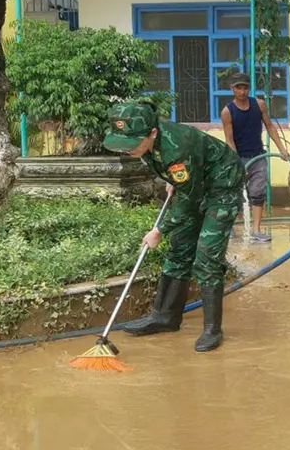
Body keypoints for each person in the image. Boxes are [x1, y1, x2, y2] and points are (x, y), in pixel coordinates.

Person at [103, 101, 244, 352]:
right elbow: (181, 178)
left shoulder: (176, 149)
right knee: (179, 249)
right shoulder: (147, 143)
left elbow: (189, 201)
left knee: (206, 255)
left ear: (153, 133)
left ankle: (212, 330)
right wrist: (175, 179)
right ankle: (165, 317)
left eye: (133, 144)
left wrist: (159, 230)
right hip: (196, 181)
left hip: (221, 187)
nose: (128, 150)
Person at [220, 73, 290, 242]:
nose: (242, 92)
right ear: (232, 89)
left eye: (245, 88)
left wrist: (282, 149)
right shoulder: (227, 112)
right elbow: (229, 139)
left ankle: (257, 230)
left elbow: (270, 126)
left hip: (258, 156)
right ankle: (229, 227)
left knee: (257, 192)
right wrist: (236, 162)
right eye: (238, 88)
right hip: (238, 158)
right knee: (234, 193)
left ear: (248, 89)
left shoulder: (259, 105)